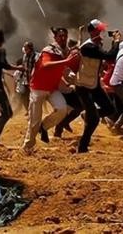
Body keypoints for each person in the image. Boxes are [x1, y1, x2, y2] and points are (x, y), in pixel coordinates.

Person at [22, 27, 80, 155]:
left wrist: (71, 75)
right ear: (55, 38)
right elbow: (45, 65)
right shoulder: (49, 50)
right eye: (60, 36)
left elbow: (64, 68)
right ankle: (27, 146)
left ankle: (44, 127)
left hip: (52, 88)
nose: (63, 38)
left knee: (62, 109)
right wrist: (66, 61)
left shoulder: (66, 51)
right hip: (38, 88)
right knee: (34, 121)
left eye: (65, 36)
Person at [74, 19, 120, 153]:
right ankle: (82, 146)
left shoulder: (95, 45)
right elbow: (110, 56)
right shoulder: (89, 47)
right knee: (94, 119)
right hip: (83, 85)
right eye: (100, 30)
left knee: (109, 109)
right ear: (93, 31)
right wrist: (116, 41)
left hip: (93, 84)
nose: (103, 32)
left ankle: (88, 114)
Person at [14, 42, 36, 116]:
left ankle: (33, 113)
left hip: (33, 82)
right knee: (25, 98)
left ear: (31, 48)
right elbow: (25, 68)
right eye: (24, 48)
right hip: (26, 82)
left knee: (33, 99)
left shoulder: (36, 56)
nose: (25, 49)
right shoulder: (24, 56)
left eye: (26, 48)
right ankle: (30, 112)